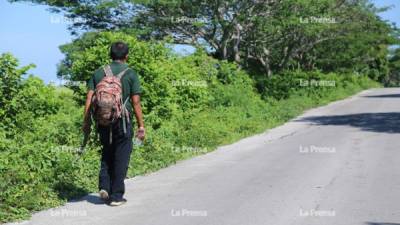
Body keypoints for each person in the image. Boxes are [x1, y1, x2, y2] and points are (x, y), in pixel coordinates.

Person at [82, 41, 145, 206]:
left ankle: (104, 186)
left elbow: (89, 98)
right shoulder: (131, 74)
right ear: (126, 56)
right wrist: (141, 126)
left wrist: (87, 121)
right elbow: (136, 102)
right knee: (121, 156)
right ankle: (116, 196)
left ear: (110, 54)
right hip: (122, 121)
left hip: (102, 120)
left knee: (107, 152)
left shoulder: (98, 73)